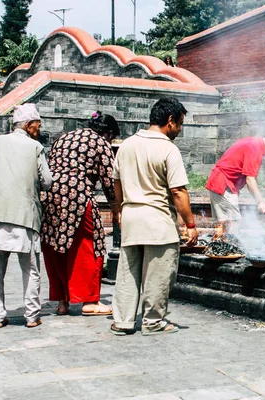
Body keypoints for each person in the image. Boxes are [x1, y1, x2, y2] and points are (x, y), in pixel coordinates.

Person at [110, 97, 199, 336]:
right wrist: (190, 224)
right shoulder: (168, 149)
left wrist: (120, 210)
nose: (179, 130)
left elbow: (116, 183)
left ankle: (123, 321)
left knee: (128, 273)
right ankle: (153, 321)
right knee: (158, 275)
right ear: (170, 121)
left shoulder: (126, 145)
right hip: (157, 221)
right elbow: (178, 191)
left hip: (131, 218)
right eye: (179, 124)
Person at [40, 111, 120, 316]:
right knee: (89, 245)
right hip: (78, 196)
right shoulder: (100, 142)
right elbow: (109, 181)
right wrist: (116, 208)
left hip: (50, 197)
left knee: (57, 246)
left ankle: (62, 302)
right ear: (108, 133)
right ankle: (89, 301)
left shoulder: (63, 138)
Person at [0, 104, 52, 328]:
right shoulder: (34, 147)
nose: (39, 128)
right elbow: (47, 182)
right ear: (28, 125)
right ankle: (32, 315)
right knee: (31, 270)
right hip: (25, 216)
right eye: (37, 125)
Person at [205, 133, 265, 236]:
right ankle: (229, 250)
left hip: (223, 183)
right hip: (223, 184)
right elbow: (250, 179)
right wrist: (260, 202)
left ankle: (219, 248)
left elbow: (246, 177)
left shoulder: (253, 143)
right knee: (234, 222)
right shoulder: (256, 147)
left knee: (224, 224)